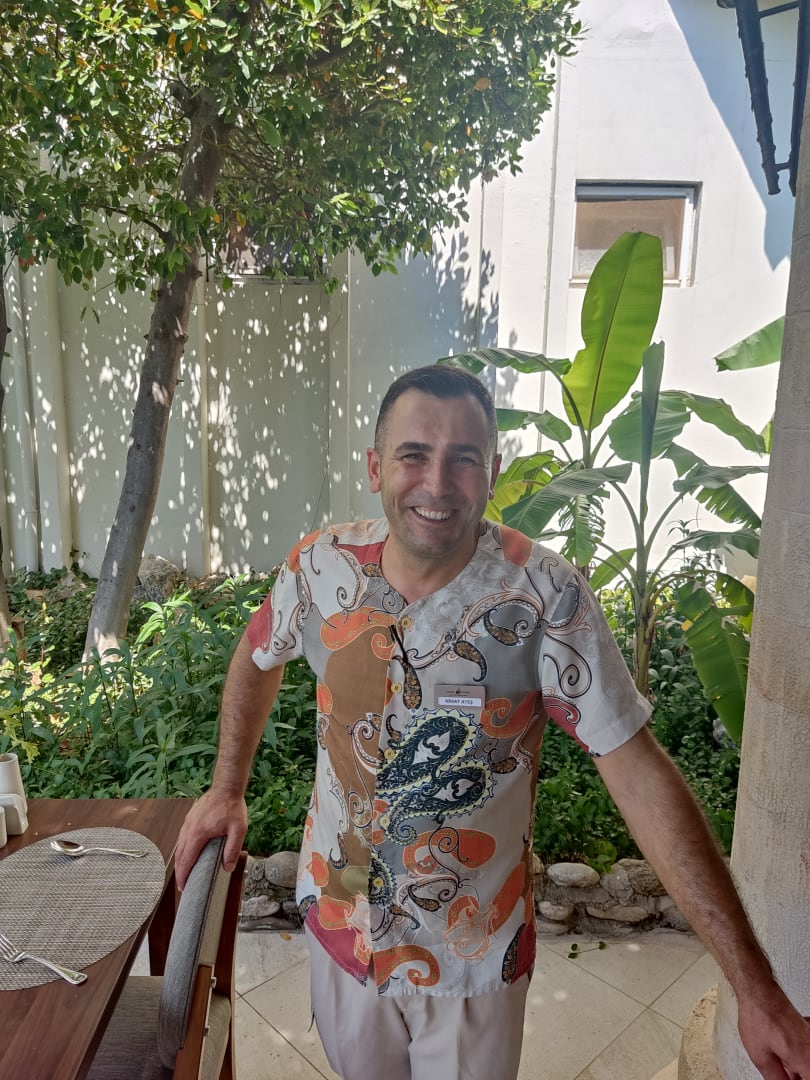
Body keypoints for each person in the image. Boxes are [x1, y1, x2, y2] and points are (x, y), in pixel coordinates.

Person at [176, 364, 810, 1080]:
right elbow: (257, 655)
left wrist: (755, 988)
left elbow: (636, 772)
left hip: (471, 955)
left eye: (464, 459)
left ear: (493, 473)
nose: (437, 483)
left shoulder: (545, 597)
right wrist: (227, 787)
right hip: (341, 922)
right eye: (414, 455)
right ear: (375, 466)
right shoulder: (319, 568)